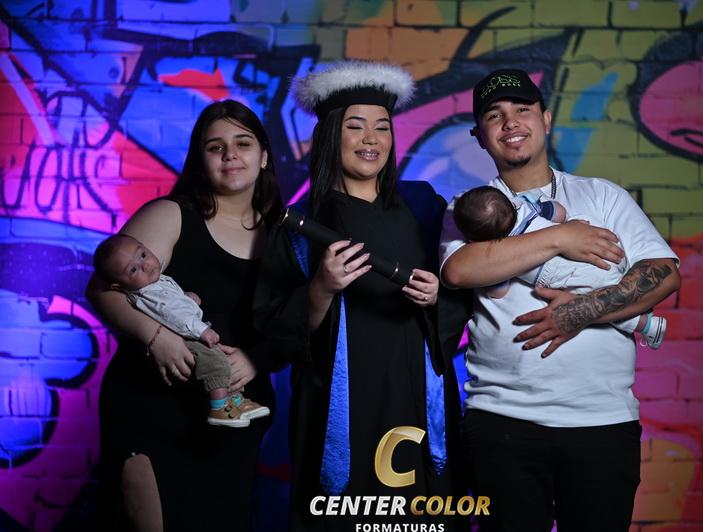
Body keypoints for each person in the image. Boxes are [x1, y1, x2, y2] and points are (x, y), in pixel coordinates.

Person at [440, 69, 681, 531]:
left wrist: (579, 312)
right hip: (503, 418)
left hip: (602, 420)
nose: (511, 123)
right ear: (479, 136)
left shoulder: (601, 196)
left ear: (546, 119)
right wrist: (560, 238)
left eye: (522, 110)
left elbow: (663, 274)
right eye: (495, 116)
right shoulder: (468, 208)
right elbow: (459, 270)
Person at [253, 61, 466, 531]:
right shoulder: (299, 226)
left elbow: (464, 294)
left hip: (417, 396)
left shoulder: (424, 206)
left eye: (382, 127)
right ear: (331, 134)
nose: (371, 139)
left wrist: (440, 294)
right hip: (341, 410)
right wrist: (321, 288)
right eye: (355, 126)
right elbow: (275, 336)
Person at [87, 100, 283, 531]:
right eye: (215, 147)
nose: (230, 155)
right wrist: (156, 337)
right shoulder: (172, 214)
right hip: (154, 408)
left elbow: (294, 327)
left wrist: (254, 361)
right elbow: (103, 289)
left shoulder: (284, 234)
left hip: (234, 415)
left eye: (243, 143)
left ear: (264, 156)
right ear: (200, 159)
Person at [453, 185, 667, 348]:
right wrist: (561, 227)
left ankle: (646, 325)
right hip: (603, 250)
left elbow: (497, 291)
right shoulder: (526, 204)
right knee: (608, 288)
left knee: (596, 302)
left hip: (568, 272)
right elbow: (560, 213)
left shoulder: (498, 257)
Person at [93, 233, 271, 427]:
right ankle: (219, 407)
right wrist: (202, 331)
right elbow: (172, 315)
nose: (145, 265)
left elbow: (173, 302)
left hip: (189, 331)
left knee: (224, 361)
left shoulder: (155, 282)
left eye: (143, 254)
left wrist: (187, 297)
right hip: (184, 337)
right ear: (119, 286)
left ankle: (235, 400)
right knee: (214, 363)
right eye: (133, 269)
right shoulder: (148, 293)